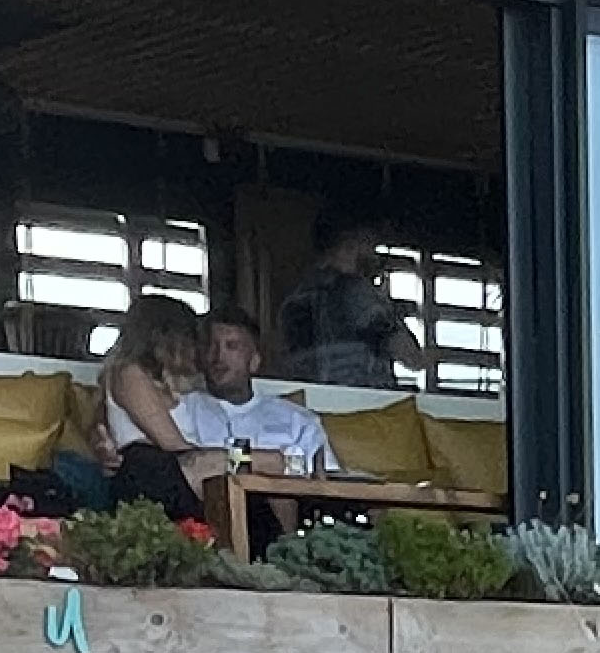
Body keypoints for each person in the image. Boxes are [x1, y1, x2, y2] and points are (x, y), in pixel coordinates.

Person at [92, 294, 223, 520]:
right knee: (256, 466)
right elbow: (172, 443)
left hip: (178, 471)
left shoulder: (175, 382)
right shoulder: (129, 374)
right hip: (152, 471)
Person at [173, 309, 337, 475]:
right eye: (211, 346)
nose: (219, 357)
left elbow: (328, 482)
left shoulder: (299, 421)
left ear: (254, 361)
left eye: (232, 346)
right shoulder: (182, 411)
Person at [276, 212, 424, 388]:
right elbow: (410, 357)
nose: (375, 255)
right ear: (353, 244)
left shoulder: (296, 298)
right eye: (371, 245)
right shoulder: (358, 292)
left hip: (312, 399)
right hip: (361, 398)